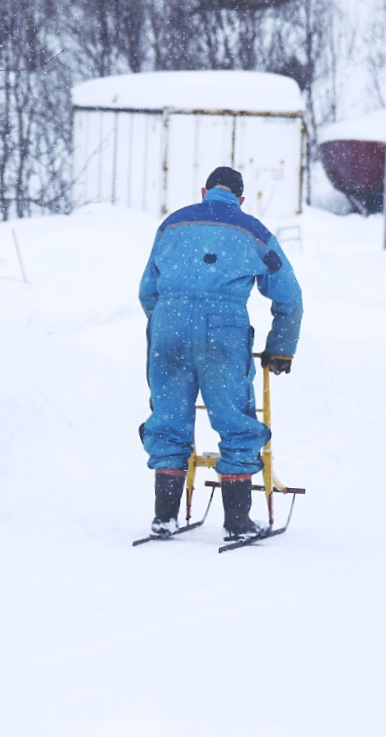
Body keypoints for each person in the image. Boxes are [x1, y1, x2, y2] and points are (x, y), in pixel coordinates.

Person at [138, 166, 303, 541]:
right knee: (234, 419)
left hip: (168, 324)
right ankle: (238, 521)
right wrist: (280, 349)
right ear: (240, 199)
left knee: (167, 415)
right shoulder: (255, 232)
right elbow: (290, 297)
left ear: (204, 191)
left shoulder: (172, 226)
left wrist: (167, 325)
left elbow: (147, 289)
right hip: (223, 329)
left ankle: (164, 517)